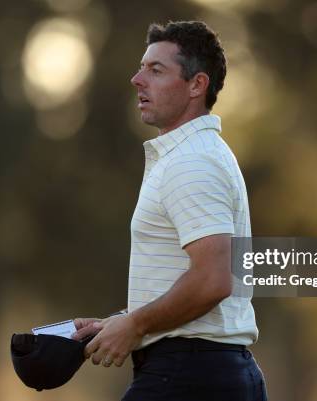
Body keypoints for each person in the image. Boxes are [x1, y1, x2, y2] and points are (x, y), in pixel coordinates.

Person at [73, 20, 267, 401]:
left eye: (156, 70)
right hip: (204, 371)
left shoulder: (192, 162)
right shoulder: (192, 155)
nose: (137, 80)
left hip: (189, 376)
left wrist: (136, 325)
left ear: (197, 85)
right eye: (142, 67)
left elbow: (213, 279)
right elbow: (190, 276)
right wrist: (123, 322)